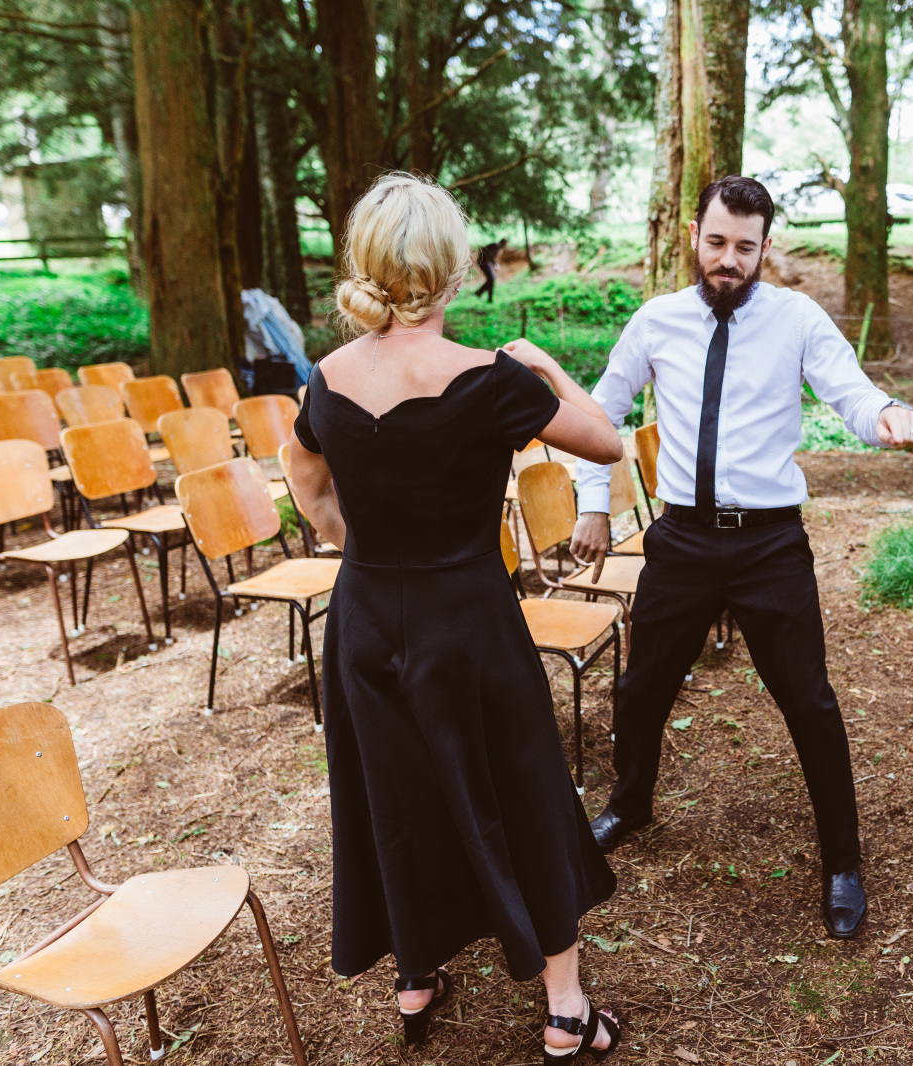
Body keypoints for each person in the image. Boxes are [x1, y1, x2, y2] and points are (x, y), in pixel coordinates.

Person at [286, 173, 624, 1063]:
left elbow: (306, 481)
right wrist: (547, 367)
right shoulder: (490, 379)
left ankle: (416, 974)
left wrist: (366, 551)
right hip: (468, 620)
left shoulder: (325, 378)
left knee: (394, 794)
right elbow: (606, 441)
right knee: (525, 791)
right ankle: (564, 1009)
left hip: (364, 615)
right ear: (451, 268)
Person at [572, 176, 913, 940]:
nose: (728, 260)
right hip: (683, 540)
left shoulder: (796, 319)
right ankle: (630, 804)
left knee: (810, 701)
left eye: (744, 246)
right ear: (693, 237)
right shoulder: (656, 320)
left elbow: (851, 394)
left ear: (766, 246)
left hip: (769, 545)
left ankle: (842, 862)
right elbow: (601, 412)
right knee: (640, 689)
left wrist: (887, 414)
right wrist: (593, 503)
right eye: (716, 242)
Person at [475, 237, 507, 302]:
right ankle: (485, 296)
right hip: (484, 262)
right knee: (491, 279)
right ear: (504, 244)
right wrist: (493, 264)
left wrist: (495, 264)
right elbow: (488, 256)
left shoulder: (496, 247)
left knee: (491, 279)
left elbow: (490, 257)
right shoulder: (495, 246)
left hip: (486, 262)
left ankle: (482, 294)